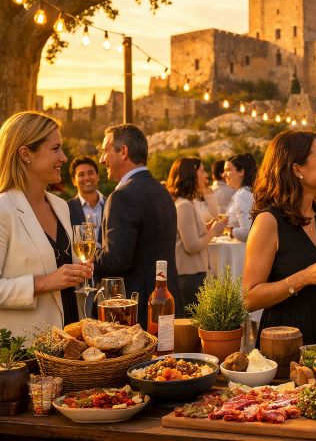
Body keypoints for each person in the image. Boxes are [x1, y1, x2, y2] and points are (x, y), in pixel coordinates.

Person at [243, 130, 316, 351]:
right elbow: (249, 298)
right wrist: (303, 277)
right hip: (286, 337)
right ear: (297, 169)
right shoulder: (268, 221)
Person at [0, 112, 92, 337]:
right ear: (25, 153)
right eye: (55, 149)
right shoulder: (3, 209)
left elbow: (62, 273)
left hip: (71, 342)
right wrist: (43, 283)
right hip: (27, 351)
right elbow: (50, 280)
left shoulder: (60, 206)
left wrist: (80, 272)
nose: (64, 157)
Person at [94, 124, 183, 328]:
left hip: (138, 310)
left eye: (105, 151)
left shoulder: (122, 196)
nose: (101, 159)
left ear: (123, 151)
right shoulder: (163, 192)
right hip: (167, 301)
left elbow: (117, 260)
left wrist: (90, 258)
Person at [167, 157, 229, 310]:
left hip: (191, 275)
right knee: (191, 327)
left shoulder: (184, 203)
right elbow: (192, 246)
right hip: (189, 277)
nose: (206, 175)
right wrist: (215, 231)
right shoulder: (185, 206)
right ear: (191, 175)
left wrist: (206, 229)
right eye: (202, 171)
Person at [67, 156, 105, 246]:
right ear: (73, 181)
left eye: (90, 173)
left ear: (98, 176)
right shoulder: (65, 209)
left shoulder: (112, 205)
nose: (87, 178)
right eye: (81, 175)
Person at [223, 154, 257, 242]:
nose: (224, 175)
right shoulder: (247, 192)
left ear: (241, 172)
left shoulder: (241, 196)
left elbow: (248, 232)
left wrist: (228, 230)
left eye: (228, 170)